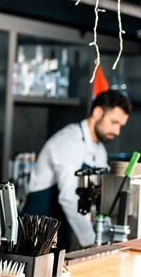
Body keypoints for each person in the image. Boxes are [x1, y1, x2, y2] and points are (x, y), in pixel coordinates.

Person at [22, 90, 132, 250]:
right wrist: (90, 242)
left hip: (61, 230)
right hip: (36, 231)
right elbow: (69, 197)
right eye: (114, 122)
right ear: (98, 112)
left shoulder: (99, 149)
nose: (117, 131)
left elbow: (101, 193)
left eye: (120, 126)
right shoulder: (69, 141)